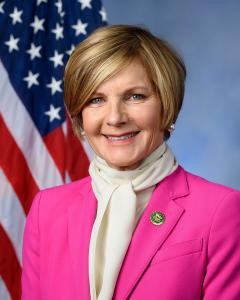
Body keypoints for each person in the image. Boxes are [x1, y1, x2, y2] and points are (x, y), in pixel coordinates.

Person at [21, 25, 240, 300]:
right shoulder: (46, 210)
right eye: (96, 99)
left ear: (166, 104)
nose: (115, 118)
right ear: (80, 116)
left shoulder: (220, 211)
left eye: (135, 96)